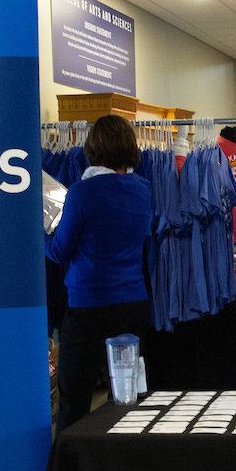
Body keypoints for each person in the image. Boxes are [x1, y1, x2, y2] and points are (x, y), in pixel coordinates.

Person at [45, 114, 153, 432]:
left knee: (74, 400)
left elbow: (60, 251)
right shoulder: (143, 189)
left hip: (88, 306)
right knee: (126, 398)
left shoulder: (82, 193)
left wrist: (41, 234)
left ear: (92, 149)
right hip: (133, 302)